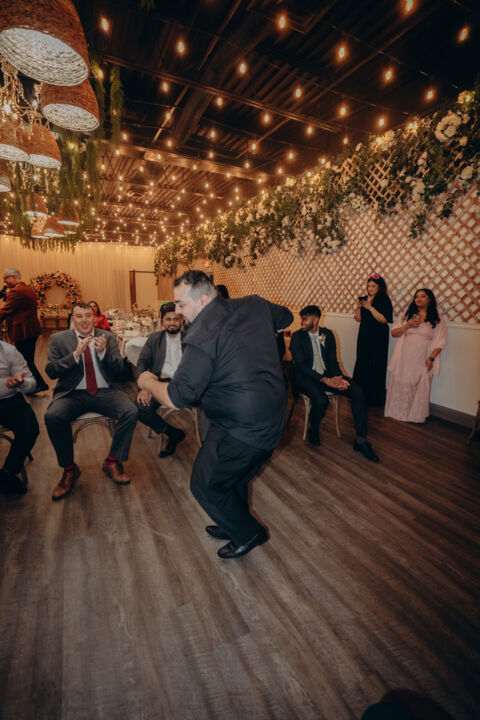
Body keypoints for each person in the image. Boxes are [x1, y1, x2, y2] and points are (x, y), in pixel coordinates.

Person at [138, 270, 293, 559]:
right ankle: (231, 523)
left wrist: (146, 381)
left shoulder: (201, 336)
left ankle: (248, 533)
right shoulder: (255, 305)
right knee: (232, 477)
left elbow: (176, 397)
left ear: (203, 300)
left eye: (181, 304)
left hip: (244, 428)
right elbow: (286, 317)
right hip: (267, 414)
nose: (177, 311)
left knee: (205, 485)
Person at [44, 302, 138, 500]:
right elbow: (51, 372)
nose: (84, 320)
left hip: (105, 391)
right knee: (53, 416)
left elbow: (120, 371)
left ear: (95, 318)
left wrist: (103, 353)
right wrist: (75, 355)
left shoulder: (108, 337)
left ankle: (112, 461)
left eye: (88, 315)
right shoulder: (59, 339)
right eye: (79, 316)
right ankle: (69, 470)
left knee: (130, 411)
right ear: (72, 319)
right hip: (72, 394)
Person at [290, 305, 379, 462]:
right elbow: (301, 367)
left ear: (315, 319)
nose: (301, 322)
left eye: (305, 319)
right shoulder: (297, 337)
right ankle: (313, 429)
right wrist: (326, 380)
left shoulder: (327, 334)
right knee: (321, 401)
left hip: (327, 376)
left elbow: (332, 361)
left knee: (357, 391)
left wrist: (339, 379)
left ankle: (361, 441)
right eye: (301, 319)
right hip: (306, 378)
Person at [385, 288, 447, 423]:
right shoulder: (406, 316)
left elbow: (440, 342)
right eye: (417, 296)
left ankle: (414, 415)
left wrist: (431, 358)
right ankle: (397, 411)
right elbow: (394, 333)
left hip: (423, 357)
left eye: (423, 296)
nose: (419, 298)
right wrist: (407, 325)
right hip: (405, 356)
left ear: (430, 299)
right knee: (403, 381)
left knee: (419, 384)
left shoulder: (438, 319)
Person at [136, 301, 186, 458]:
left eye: (176, 319)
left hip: (184, 384)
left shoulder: (191, 338)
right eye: (168, 319)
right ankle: (173, 433)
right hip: (160, 383)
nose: (172, 323)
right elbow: (142, 362)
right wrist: (145, 386)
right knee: (139, 408)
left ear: (182, 320)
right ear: (162, 321)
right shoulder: (154, 338)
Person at [0, 340, 39, 493]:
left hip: (9, 400)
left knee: (29, 428)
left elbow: (32, 383)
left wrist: (20, 382)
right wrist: (5, 383)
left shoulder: (9, 350)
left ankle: (9, 471)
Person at [0, 268, 48, 393]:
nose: (4, 281)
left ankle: (39, 384)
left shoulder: (16, 291)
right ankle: (39, 384)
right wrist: (7, 296)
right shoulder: (26, 288)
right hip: (30, 330)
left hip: (23, 331)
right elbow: (20, 304)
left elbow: (5, 311)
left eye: (6, 278)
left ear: (14, 277)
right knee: (28, 359)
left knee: (25, 360)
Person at [353, 274, 393, 407]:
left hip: (378, 336)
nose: (370, 288)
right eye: (368, 286)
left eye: (373, 286)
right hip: (364, 334)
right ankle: (359, 395)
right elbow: (358, 319)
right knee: (362, 361)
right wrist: (358, 307)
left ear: (379, 287)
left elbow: (384, 319)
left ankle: (374, 398)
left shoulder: (384, 299)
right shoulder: (364, 299)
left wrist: (370, 308)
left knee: (376, 364)